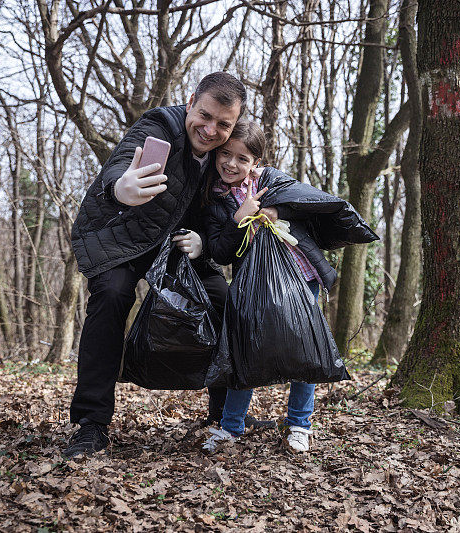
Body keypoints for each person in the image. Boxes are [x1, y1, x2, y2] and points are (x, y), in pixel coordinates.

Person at [65, 73, 269, 460]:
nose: (210, 131)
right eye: (204, 116)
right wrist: (120, 187)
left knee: (226, 303)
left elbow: (243, 187)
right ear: (191, 101)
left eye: (223, 124)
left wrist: (209, 239)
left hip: (180, 246)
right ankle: (91, 424)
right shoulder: (160, 124)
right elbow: (124, 162)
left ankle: (225, 413)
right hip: (124, 236)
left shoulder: (224, 152)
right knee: (111, 296)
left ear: (234, 123)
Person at [200, 120, 340, 453]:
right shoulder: (214, 199)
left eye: (242, 158)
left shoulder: (272, 181)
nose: (232, 164)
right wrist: (239, 219)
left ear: (256, 162)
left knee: (304, 354)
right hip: (253, 287)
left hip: (302, 276)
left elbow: (309, 204)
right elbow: (219, 251)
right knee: (242, 352)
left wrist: (276, 210)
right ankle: (230, 427)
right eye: (226, 154)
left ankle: (300, 426)